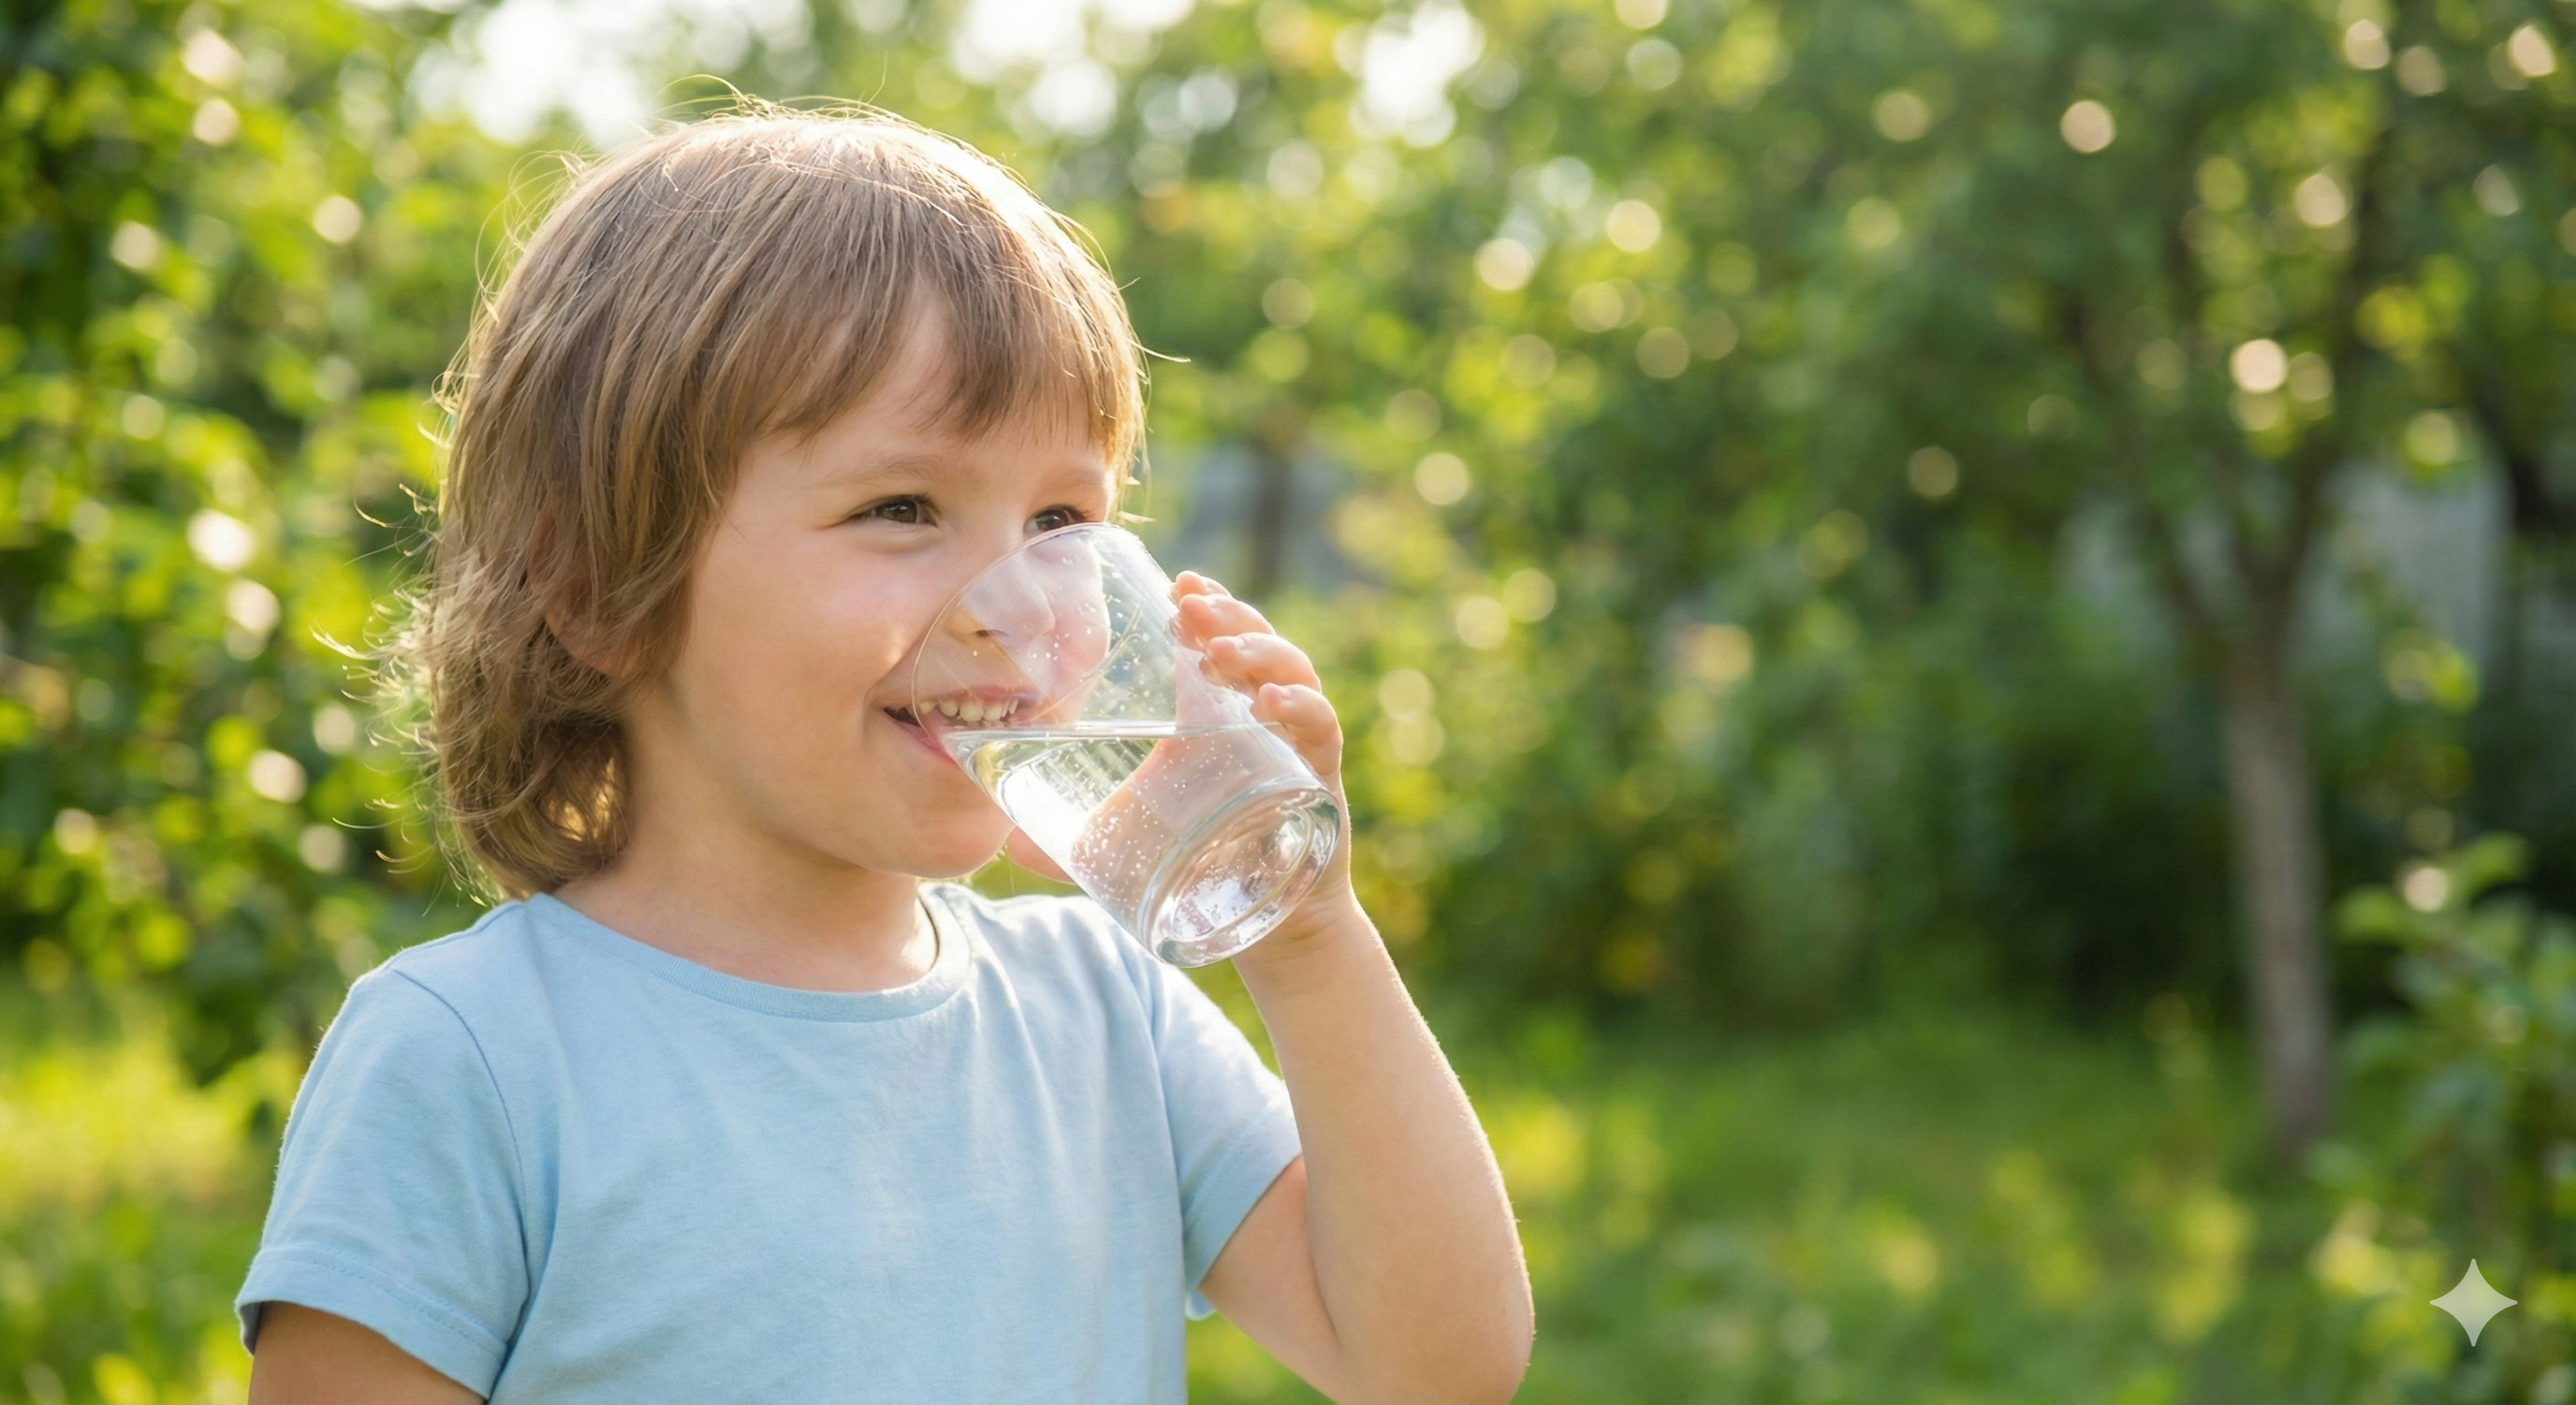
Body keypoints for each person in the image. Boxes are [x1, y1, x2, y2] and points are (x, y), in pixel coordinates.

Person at [235, 108, 1533, 1405]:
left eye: (1062, 520)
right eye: (902, 509)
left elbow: (1437, 1368)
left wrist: (1305, 939)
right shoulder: (472, 1058)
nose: (1014, 605)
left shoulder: (1101, 1014)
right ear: (597, 587)